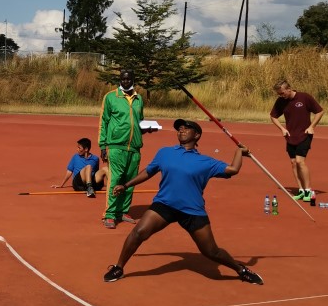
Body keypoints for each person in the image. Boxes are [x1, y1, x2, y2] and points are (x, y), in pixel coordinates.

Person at [103, 118, 263, 285]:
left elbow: (233, 169)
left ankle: (241, 270)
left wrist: (239, 152)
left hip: (192, 210)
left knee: (211, 251)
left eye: (186, 128)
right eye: (179, 128)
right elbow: (148, 172)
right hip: (165, 204)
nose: (181, 130)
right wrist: (126, 185)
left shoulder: (206, 162)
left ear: (197, 135)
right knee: (138, 232)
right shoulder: (165, 153)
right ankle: (119, 267)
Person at [98, 68, 157, 229]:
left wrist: (147, 128)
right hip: (116, 145)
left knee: (130, 180)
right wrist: (103, 145)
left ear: (133, 80)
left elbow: (139, 121)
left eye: (128, 79)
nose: (125, 81)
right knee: (115, 179)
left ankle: (123, 211)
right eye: (123, 79)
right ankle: (110, 214)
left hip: (135, 147)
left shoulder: (138, 99)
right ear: (120, 80)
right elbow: (104, 122)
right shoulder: (111, 97)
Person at [269, 79, 323, 202]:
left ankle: (308, 190)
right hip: (290, 136)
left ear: (289, 89)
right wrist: (282, 129)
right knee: (293, 162)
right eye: (279, 94)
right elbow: (273, 116)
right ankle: (301, 190)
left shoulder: (304, 97)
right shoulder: (281, 101)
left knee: (300, 161)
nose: (281, 96)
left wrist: (312, 126)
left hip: (305, 135)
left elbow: (320, 111)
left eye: (282, 93)